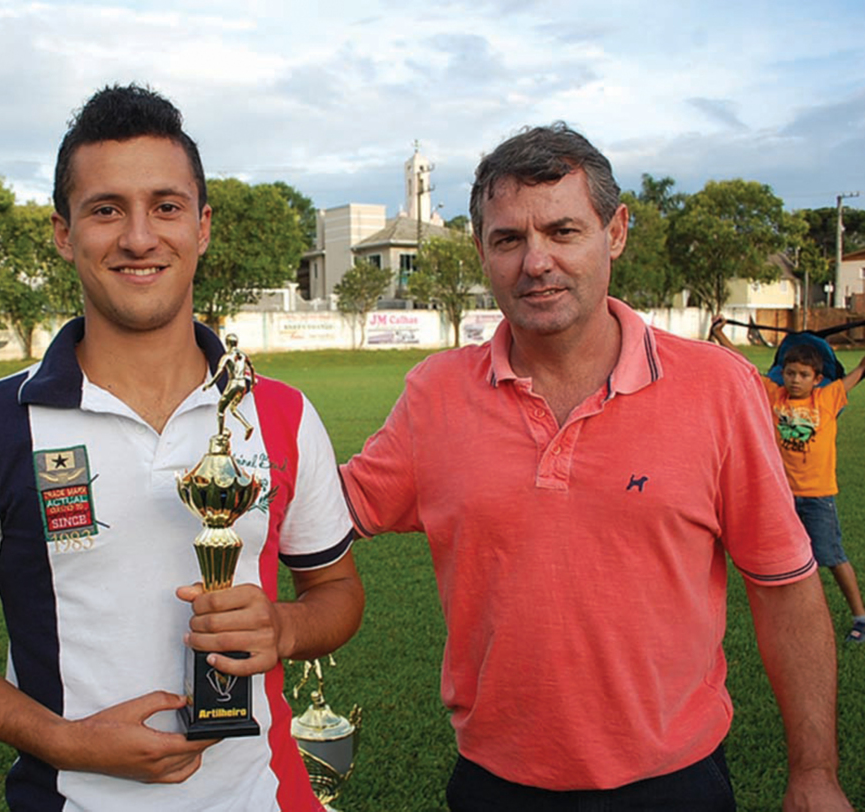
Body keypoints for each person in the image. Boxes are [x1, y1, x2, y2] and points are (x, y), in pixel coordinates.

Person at [340, 123, 852, 810]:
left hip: (675, 785)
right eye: (509, 239)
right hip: (494, 785)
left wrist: (814, 774)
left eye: (563, 231)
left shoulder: (717, 388)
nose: (536, 262)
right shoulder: (435, 395)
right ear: (482, 251)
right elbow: (327, 509)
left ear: (615, 233)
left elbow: (786, 588)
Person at [0, 84, 363, 812]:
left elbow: (336, 592)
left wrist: (284, 625)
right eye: (106, 209)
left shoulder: (282, 412)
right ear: (62, 232)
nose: (139, 237)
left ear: (202, 227)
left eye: (166, 207)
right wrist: (61, 740)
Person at [711, 317, 865, 644]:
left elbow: (860, 371)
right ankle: (794, 616)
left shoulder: (828, 398)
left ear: (818, 379)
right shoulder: (774, 395)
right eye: (790, 373)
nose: (795, 380)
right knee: (782, 557)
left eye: (804, 375)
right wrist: (719, 332)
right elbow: (744, 366)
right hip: (780, 496)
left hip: (818, 497)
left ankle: (860, 615)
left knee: (832, 556)